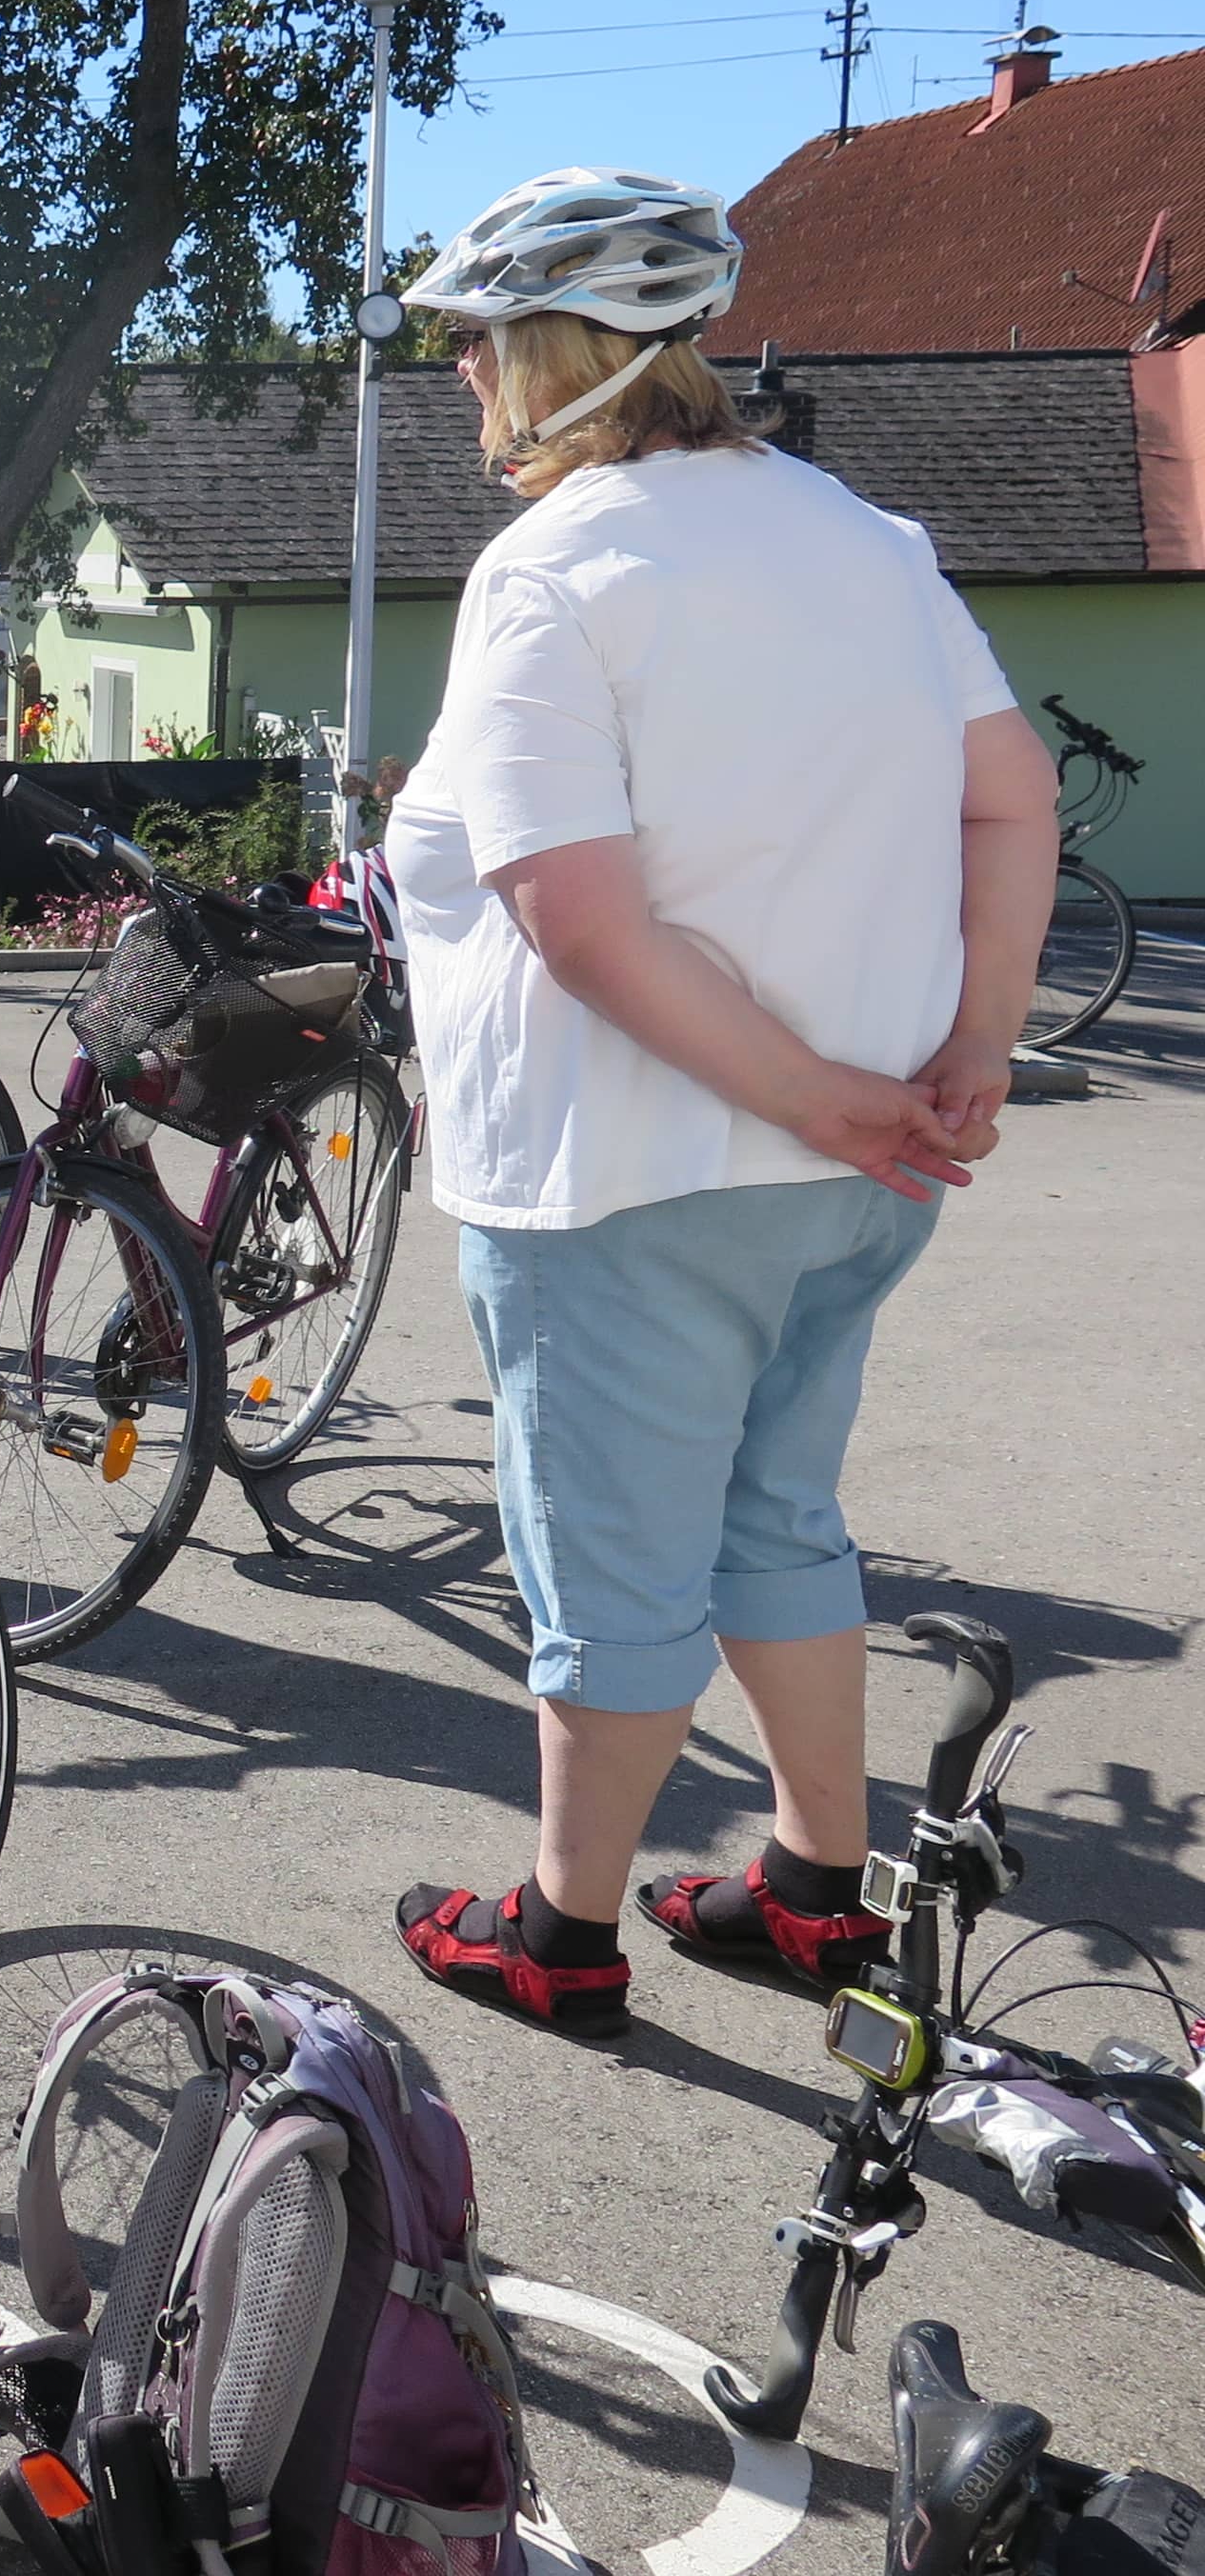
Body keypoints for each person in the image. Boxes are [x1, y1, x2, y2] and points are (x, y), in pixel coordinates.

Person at [374, 169, 1058, 2040]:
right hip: (850, 1185)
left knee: (604, 1560)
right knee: (777, 1516)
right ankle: (815, 1886)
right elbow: (1009, 805)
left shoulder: (557, 570)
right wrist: (956, 1057)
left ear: (549, 357)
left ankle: (556, 1928)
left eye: (469, 348)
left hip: (628, 1173)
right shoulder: (857, 538)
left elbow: (574, 920)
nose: (458, 381)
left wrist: (823, 1096)